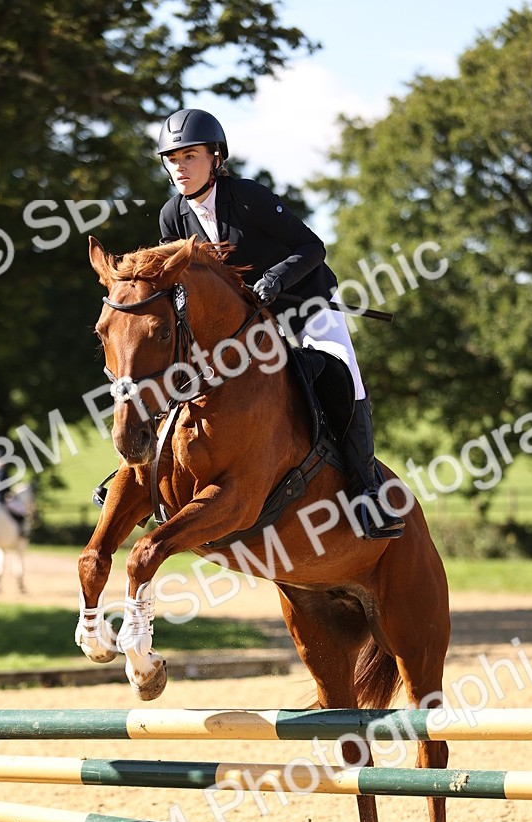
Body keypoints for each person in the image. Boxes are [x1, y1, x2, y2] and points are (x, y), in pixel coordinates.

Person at [157, 108, 404, 539]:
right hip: (244, 327)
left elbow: (312, 247)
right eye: (172, 159)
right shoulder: (172, 216)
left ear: (216, 157)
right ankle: (147, 479)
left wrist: (275, 279)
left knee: (346, 375)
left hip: (303, 306)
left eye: (190, 156)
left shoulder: (248, 197)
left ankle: (368, 494)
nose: (180, 167)